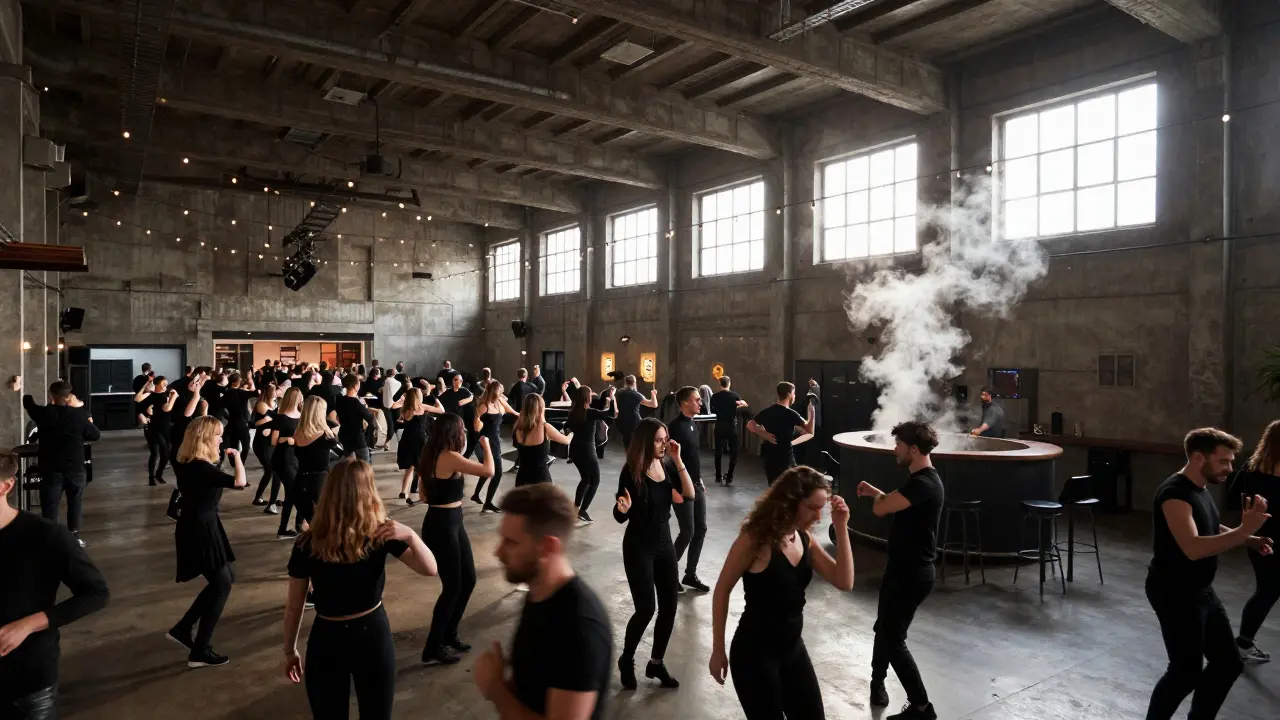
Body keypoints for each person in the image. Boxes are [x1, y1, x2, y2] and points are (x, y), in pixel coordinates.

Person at [284, 458, 438, 720]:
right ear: (368, 492)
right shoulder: (377, 533)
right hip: (370, 633)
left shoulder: (309, 542)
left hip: (328, 635)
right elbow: (430, 569)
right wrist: (411, 535)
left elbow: (294, 605)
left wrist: (290, 650)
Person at [1144, 428, 1272, 720]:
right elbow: (1193, 547)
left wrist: (1249, 539)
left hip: (1200, 589)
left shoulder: (1199, 487)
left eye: (1231, 461)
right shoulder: (1174, 494)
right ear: (1199, 457)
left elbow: (1209, 525)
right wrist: (1245, 529)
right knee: (1185, 672)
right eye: (1223, 461)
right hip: (1174, 591)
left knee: (1228, 664)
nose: (1230, 468)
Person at [709, 466, 854, 719]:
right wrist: (717, 649)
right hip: (754, 654)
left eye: (822, 509)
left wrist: (841, 527)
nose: (819, 516)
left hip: (792, 648)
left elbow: (844, 581)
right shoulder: (755, 539)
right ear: (791, 501)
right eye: (813, 508)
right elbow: (722, 589)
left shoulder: (804, 538)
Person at [476, 484, 612, 720]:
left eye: (511, 542)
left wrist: (495, 689)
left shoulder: (579, 628)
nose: (498, 552)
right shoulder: (538, 592)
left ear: (548, 547)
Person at [0, 451, 109, 719]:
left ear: (6, 486)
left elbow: (96, 593)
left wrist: (27, 625)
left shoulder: (46, 535)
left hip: (26, 678)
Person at [855, 421, 944, 719]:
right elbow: (895, 504)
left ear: (913, 449)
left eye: (899, 445)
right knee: (884, 629)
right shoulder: (922, 482)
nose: (895, 450)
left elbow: (882, 509)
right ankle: (877, 683)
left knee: (893, 639)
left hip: (911, 574)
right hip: (903, 570)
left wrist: (876, 498)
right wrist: (876, 493)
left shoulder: (923, 484)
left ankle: (921, 707)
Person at [613, 417, 695, 689]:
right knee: (646, 608)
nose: (664, 444)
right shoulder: (631, 471)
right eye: (659, 440)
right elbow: (619, 514)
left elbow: (688, 495)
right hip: (639, 547)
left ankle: (656, 663)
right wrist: (622, 508)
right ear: (646, 442)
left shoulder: (667, 464)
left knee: (669, 607)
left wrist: (678, 459)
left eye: (665, 439)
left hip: (664, 545)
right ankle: (626, 659)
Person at [167, 416, 246, 668]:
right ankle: (200, 649)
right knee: (222, 584)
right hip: (200, 529)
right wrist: (238, 458)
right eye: (218, 435)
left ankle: (184, 627)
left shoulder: (187, 463)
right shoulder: (203, 469)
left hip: (200, 525)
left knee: (226, 578)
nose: (221, 439)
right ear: (205, 438)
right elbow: (240, 482)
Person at [417, 414, 494, 666]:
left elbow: (423, 496)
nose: (464, 432)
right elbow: (489, 470)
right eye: (462, 429)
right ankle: (433, 646)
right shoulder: (448, 457)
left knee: (468, 579)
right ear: (454, 432)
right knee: (452, 587)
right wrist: (486, 446)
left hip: (450, 521)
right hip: (442, 526)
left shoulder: (431, 454)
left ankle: (449, 634)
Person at [1226, 420, 1280, 664]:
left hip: (1257, 535)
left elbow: (1232, 499)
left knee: (1265, 590)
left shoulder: (1250, 467)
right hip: (1267, 539)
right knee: (1268, 592)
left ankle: (1243, 643)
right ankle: (1242, 644)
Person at [23, 382, 101, 544]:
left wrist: (20, 385)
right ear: (69, 396)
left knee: (50, 504)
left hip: (50, 467)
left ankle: (50, 538)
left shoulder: (43, 414)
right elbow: (95, 435)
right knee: (75, 502)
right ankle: (74, 536)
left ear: (52, 395)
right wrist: (79, 409)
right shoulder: (79, 415)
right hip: (75, 467)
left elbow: (27, 401)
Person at [668, 387, 710, 592]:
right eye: (697, 400)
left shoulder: (693, 424)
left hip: (695, 484)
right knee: (687, 531)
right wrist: (672, 489)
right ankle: (668, 573)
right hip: (681, 486)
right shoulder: (674, 428)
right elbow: (667, 460)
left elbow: (692, 456)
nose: (700, 403)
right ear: (684, 403)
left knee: (701, 529)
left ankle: (690, 574)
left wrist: (699, 478)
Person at [748, 382, 816, 485]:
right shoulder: (791, 414)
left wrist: (765, 434)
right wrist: (812, 412)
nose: (794, 396)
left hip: (769, 457)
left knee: (774, 487)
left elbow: (750, 425)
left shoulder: (768, 411)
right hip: (785, 458)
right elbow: (810, 430)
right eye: (793, 393)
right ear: (789, 394)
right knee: (789, 487)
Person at [567, 385, 617, 524]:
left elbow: (567, 427)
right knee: (595, 480)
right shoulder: (590, 413)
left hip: (574, 450)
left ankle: (576, 507)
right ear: (587, 398)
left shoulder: (573, 412)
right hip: (587, 451)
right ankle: (583, 510)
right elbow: (612, 413)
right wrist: (612, 397)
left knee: (585, 478)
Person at [471, 380, 518, 514]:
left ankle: (476, 495)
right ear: (495, 392)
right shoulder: (484, 406)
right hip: (487, 441)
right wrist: (477, 420)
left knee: (489, 470)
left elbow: (508, 409)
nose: (502, 393)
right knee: (497, 473)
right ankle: (488, 504)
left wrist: (518, 414)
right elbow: (476, 427)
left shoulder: (499, 403)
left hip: (496, 441)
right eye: (500, 391)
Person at [292, 396, 339, 529]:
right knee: (325, 521)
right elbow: (340, 451)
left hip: (301, 479)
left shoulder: (297, 433)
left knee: (311, 519)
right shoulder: (325, 435)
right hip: (320, 480)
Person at [513, 394, 572, 487]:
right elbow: (566, 440)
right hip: (540, 478)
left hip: (522, 478)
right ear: (541, 408)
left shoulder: (518, 428)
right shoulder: (545, 427)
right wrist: (572, 433)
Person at [397, 388, 443, 504]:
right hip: (420, 441)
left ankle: (403, 492)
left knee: (409, 469)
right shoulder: (422, 407)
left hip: (407, 440)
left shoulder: (405, 409)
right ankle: (422, 493)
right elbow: (441, 410)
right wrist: (433, 396)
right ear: (418, 397)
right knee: (422, 469)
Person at [271, 387, 306, 539]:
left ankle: (293, 526)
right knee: (293, 492)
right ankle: (300, 523)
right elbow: (273, 441)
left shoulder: (302, 417)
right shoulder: (281, 418)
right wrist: (286, 439)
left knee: (294, 493)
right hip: (283, 459)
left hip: (297, 458)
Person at [134, 376, 175, 486]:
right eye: (163, 383)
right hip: (153, 428)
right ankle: (151, 477)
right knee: (155, 453)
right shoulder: (150, 395)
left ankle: (158, 474)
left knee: (166, 454)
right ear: (156, 385)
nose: (165, 385)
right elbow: (137, 399)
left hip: (166, 427)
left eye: (166, 383)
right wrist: (146, 386)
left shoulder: (167, 394)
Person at [710, 376, 748, 485]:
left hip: (719, 425)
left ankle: (718, 476)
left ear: (720, 384)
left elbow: (712, 410)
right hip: (731, 426)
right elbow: (745, 405)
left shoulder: (715, 396)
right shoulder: (734, 396)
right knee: (733, 451)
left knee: (718, 451)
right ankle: (729, 476)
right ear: (729, 383)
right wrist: (735, 406)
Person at [333, 374, 376, 464]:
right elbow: (370, 418)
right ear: (355, 386)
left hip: (344, 434)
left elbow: (338, 417)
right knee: (364, 464)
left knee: (349, 463)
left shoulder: (339, 400)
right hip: (357, 437)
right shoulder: (356, 402)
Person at [251, 383, 280, 510]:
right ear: (269, 392)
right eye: (274, 391)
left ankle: (266, 498)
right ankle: (258, 498)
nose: (277, 392)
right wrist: (271, 418)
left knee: (272, 471)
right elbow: (272, 417)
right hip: (261, 443)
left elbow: (274, 418)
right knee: (270, 470)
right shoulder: (262, 404)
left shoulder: (275, 403)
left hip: (271, 441)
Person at [614, 376, 658, 452]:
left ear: (625, 383)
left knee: (627, 442)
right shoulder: (636, 394)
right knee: (637, 442)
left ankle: (628, 457)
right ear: (634, 383)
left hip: (621, 421)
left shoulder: (618, 393)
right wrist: (653, 394)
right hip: (634, 422)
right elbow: (653, 405)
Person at [220, 373, 257, 456]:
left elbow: (223, 407)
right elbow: (255, 392)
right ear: (234, 382)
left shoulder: (226, 393)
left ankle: (234, 461)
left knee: (233, 446)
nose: (240, 382)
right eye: (239, 381)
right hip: (242, 422)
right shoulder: (241, 393)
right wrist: (250, 379)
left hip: (231, 422)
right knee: (246, 446)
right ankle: (241, 461)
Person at [378, 369, 403, 451]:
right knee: (396, 424)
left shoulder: (385, 382)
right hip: (397, 406)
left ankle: (387, 442)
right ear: (394, 374)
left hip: (386, 406)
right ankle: (392, 442)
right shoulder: (398, 383)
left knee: (390, 424)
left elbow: (380, 391)